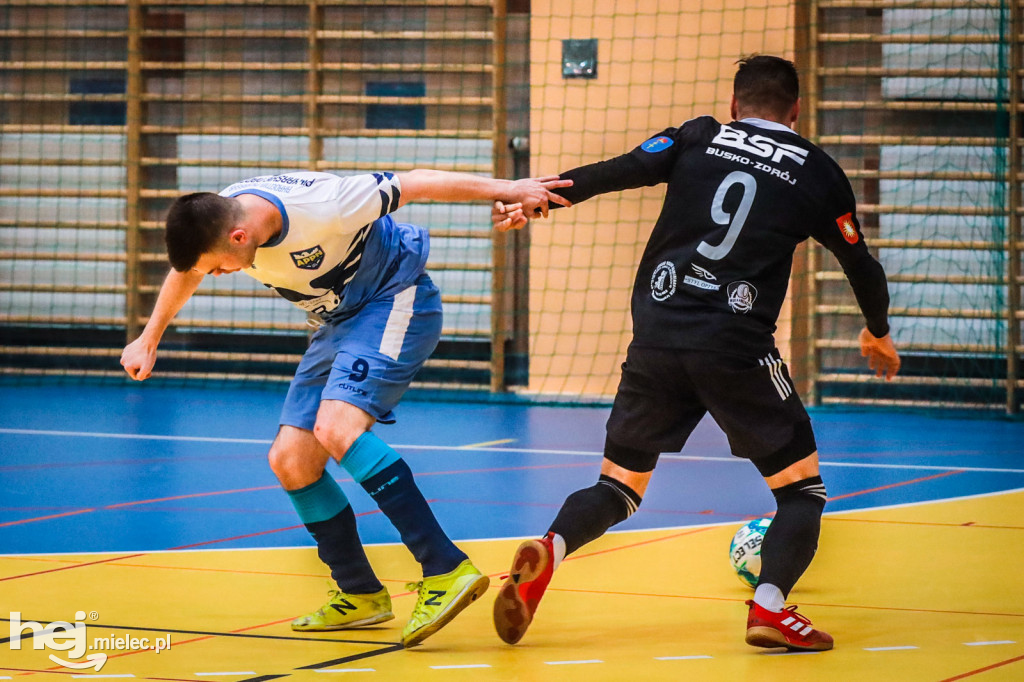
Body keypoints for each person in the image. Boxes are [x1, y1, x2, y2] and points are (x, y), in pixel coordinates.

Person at [490, 55, 901, 652]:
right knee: (801, 492)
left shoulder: (699, 135)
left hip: (656, 338)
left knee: (619, 487)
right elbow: (861, 265)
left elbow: (617, 170)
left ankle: (549, 550)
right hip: (735, 346)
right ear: (797, 109)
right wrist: (878, 331)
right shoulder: (817, 171)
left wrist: (538, 199)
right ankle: (769, 610)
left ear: (736, 106)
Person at [120, 167, 570, 648]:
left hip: (395, 298)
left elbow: (416, 182)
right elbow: (186, 270)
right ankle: (360, 593)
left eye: (218, 266)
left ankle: (444, 567)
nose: (216, 275)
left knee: (336, 427)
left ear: (239, 235)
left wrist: (511, 189)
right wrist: (149, 338)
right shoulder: (222, 218)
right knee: (291, 460)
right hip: (338, 322)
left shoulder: (326, 206)